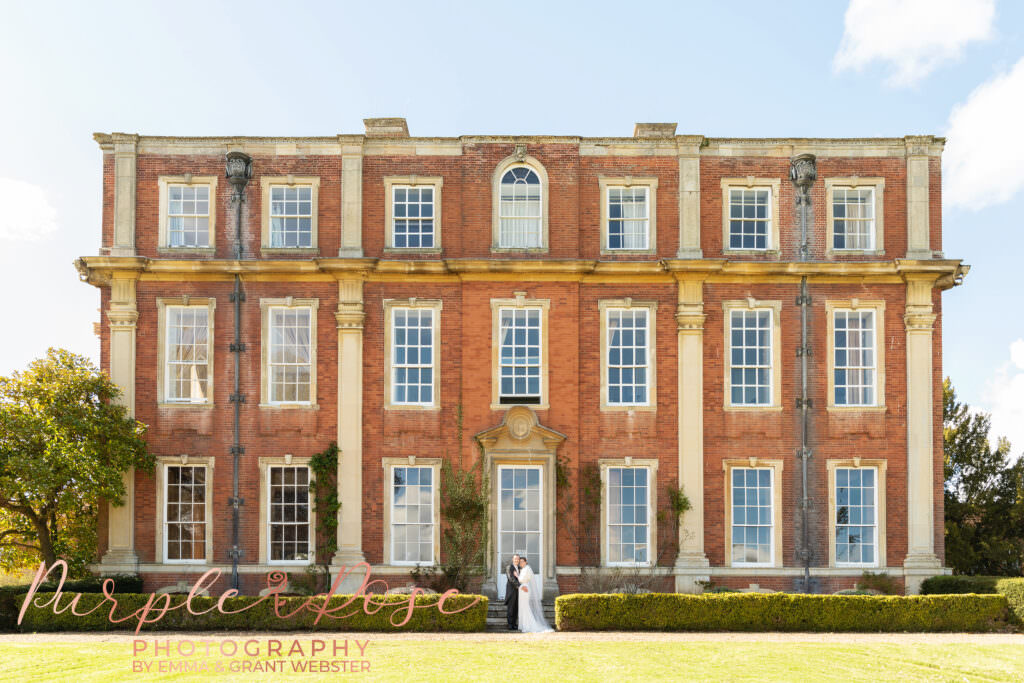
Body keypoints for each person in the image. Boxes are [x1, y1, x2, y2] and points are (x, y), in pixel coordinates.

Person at [516, 555, 553, 633]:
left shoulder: (527, 569)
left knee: (525, 607)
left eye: (522, 561)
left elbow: (521, 580)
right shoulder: (523, 569)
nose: (521, 563)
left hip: (524, 588)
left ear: (526, 562)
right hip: (522, 588)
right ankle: (523, 624)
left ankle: (528, 625)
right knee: (522, 607)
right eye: (520, 562)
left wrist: (517, 575)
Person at [504, 553, 520, 630]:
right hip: (512, 591)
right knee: (511, 608)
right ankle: (510, 625)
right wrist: (519, 586)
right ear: (512, 559)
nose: (516, 560)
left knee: (516, 608)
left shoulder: (520, 568)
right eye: (515, 559)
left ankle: (514, 624)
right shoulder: (509, 567)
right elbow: (511, 578)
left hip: (519, 592)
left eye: (518, 559)